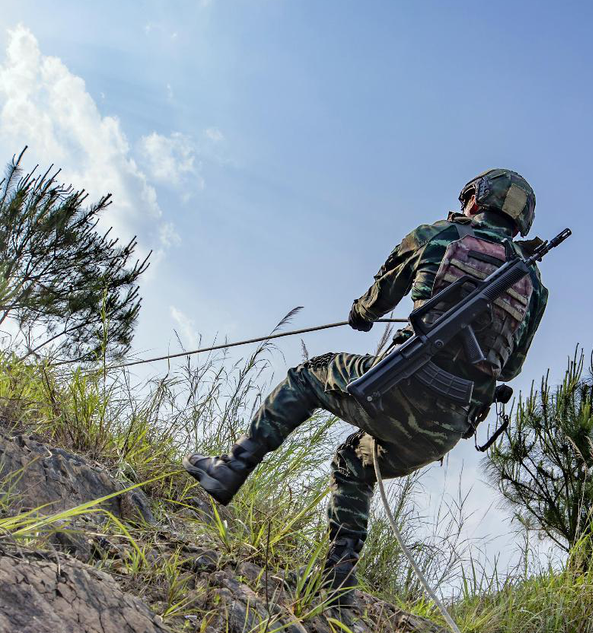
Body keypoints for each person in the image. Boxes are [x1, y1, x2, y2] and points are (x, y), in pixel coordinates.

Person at [184, 169, 548, 605]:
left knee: (307, 377)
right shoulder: (535, 287)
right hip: (446, 427)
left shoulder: (438, 234)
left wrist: (360, 312)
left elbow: (377, 300)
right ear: (521, 221)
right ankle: (338, 585)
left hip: (398, 387)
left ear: (475, 201)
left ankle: (231, 468)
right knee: (353, 464)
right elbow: (509, 369)